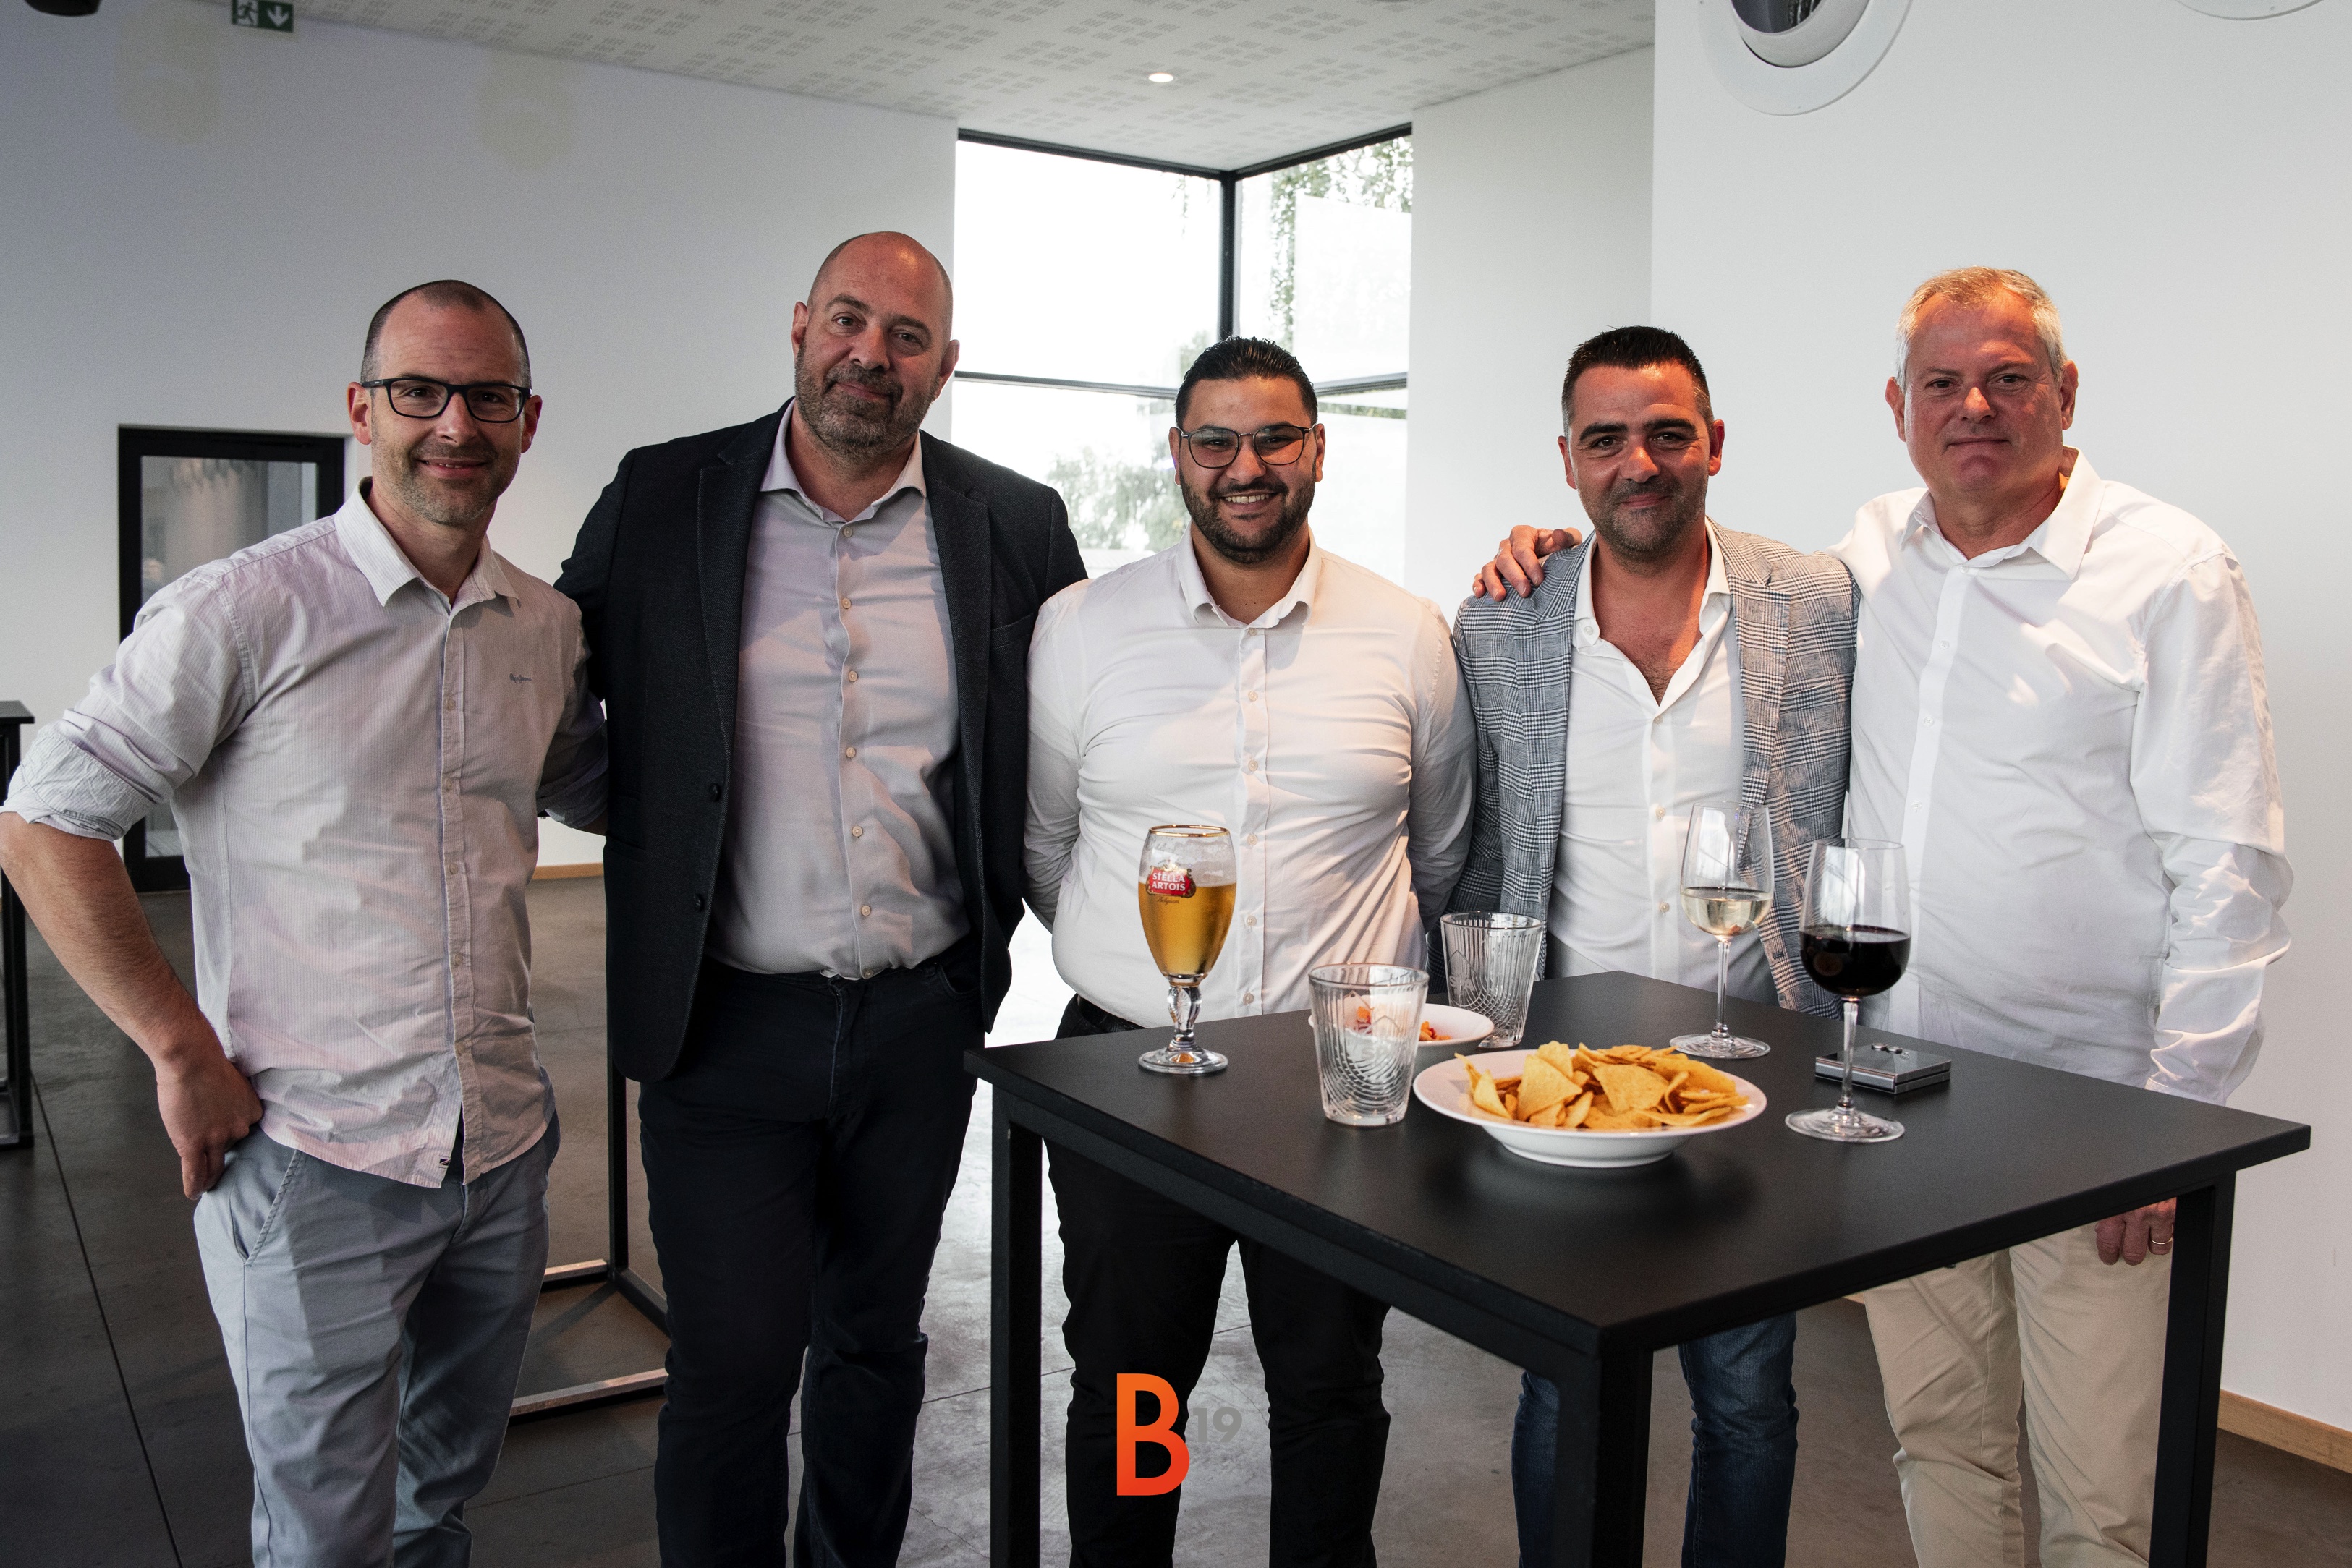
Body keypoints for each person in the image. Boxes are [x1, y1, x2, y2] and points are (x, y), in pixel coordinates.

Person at [1473, 269, 2291, 1567]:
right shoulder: (1871, 561)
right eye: (1943, 384)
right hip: (1897, 1092)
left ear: (2066, 394)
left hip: (2094, 1109)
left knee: (2102, 1498)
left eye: (2009, 379)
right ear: (1899, 408)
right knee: (1943, 1443)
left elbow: (2231, 861)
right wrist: (1544, 543)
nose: (1976, 407)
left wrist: (2178, 1118)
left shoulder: (2165, 571)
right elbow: (1644, 542)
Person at [0, 281, 606, 1567]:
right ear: (361, 410)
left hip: (500, 1149)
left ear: (529, 418)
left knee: (439, 1503)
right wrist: (179, 1049)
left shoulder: (545, 627)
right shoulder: (244, 609)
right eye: (419, 392)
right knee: (324, 1540)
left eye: (488, 396)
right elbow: (45, 822)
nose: (455, 424)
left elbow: (593, 784)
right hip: (313, 1158)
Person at [554, 231, 1083, 1566]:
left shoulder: (1014, 523)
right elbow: (538, 676)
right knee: (732, 1368)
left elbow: (1098, 698)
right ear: (800, 325)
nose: (870, 355)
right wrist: (657, 825)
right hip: (723, 1025)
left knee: (875, 1347)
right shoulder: (664, 494)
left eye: (907, 337)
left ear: (944, 366)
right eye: (848, 320)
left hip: (920, 1021)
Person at [1023, 336, 1474, 1565]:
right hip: (1129, 1074)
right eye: (1216, 440)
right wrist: (1134, 969)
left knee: (1329, 1381)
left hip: (1344, 1080)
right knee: (1134, 1385)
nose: (1247, 466)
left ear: (1319, 449)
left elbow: (1438, 853)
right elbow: (1048, 845)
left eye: (1276, 437)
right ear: (1178, 454)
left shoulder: (1406, 632)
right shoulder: (1082, 627)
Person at [1453, 327, 1852, 1568]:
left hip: (1754, 1066)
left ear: (1715, 445)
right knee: (1565, 1384)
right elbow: (1472, 843)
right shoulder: (1500, 621)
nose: (1641, 463)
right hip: (1565, 1080)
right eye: (1608, 439)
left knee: (1747, 1395)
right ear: (1567, 460)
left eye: (1670, 434)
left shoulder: (1819, 603)